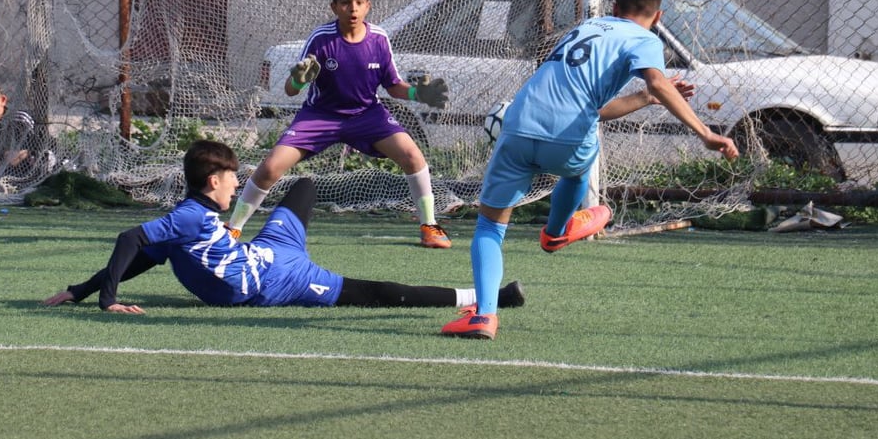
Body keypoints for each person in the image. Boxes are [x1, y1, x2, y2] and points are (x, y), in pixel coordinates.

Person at [441, 0, 740, 341]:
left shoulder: (584, 29)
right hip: (569, 140)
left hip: (517, 123)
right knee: (579, 163)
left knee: (489, 227)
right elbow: (656, 84)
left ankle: (484, 317)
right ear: (658, 15)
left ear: (615, 6)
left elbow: (596, 104)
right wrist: (705, 133)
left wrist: (647, 97)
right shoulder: (644, 38)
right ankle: (555, 232)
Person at [42, 139, 527, 312]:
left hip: (269, 248)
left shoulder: (192, 219)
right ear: (213, 181)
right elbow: (132, 243)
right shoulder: (188, 217)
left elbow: (144, 254)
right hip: (275, 279)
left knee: (305, 186)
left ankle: (486, 298)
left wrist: (80, 290)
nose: (240, 186)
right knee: (374, 292)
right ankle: (487, 299)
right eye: (234, 179)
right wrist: (102, 298)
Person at [227, 0, 454, 249]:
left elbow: (393, 86)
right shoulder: (320, 39)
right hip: (320, 116)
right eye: (346, 2)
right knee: (271, 168)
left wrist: (418, 93)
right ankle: (233, 228)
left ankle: (429, 226)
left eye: (359, 1)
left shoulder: (379, 39)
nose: (353, 8)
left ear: (368, 5)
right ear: (334, 7)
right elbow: (291, 90)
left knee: (412, 156)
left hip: (367, 115)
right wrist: (299, 78)